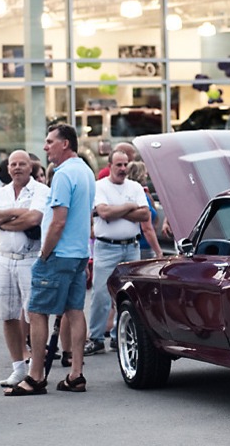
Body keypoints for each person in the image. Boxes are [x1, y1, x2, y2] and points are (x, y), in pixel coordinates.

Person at [4, 123, 94, 396]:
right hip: (78, 253)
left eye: (49, 141)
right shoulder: (86, 172)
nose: (45, 148)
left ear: (65, 143)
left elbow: (58, 221)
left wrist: (44, 254)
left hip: (59, 254)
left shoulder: (64, 174)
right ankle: (76, 374)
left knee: (37, 311)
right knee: (74, 311)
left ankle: (35, 376)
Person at [0, 150, 50, 388]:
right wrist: (14, 213)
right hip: (4, 259)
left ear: (30, 167)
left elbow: (34, 219)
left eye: (22, 164)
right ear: (7, 168)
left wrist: (3, 222)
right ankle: (18, 368)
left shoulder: (41, 191)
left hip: (30, 259)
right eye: (13, 164)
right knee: (7, 314)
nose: (17, 167)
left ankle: (35, 369)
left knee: (35, 314)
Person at [86, 149, 158, 356]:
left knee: (128, 295)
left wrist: (115, 211)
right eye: (118, 165)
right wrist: (128, 207)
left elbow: (144, 214)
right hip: (106, 247)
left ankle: (121, 335)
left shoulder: (135, 186)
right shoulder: (100, 186)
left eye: (126, 165)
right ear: (110, 166)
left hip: (131, 247)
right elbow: (103, 212)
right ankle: (97, 337)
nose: (123, 169)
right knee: (100, 294)